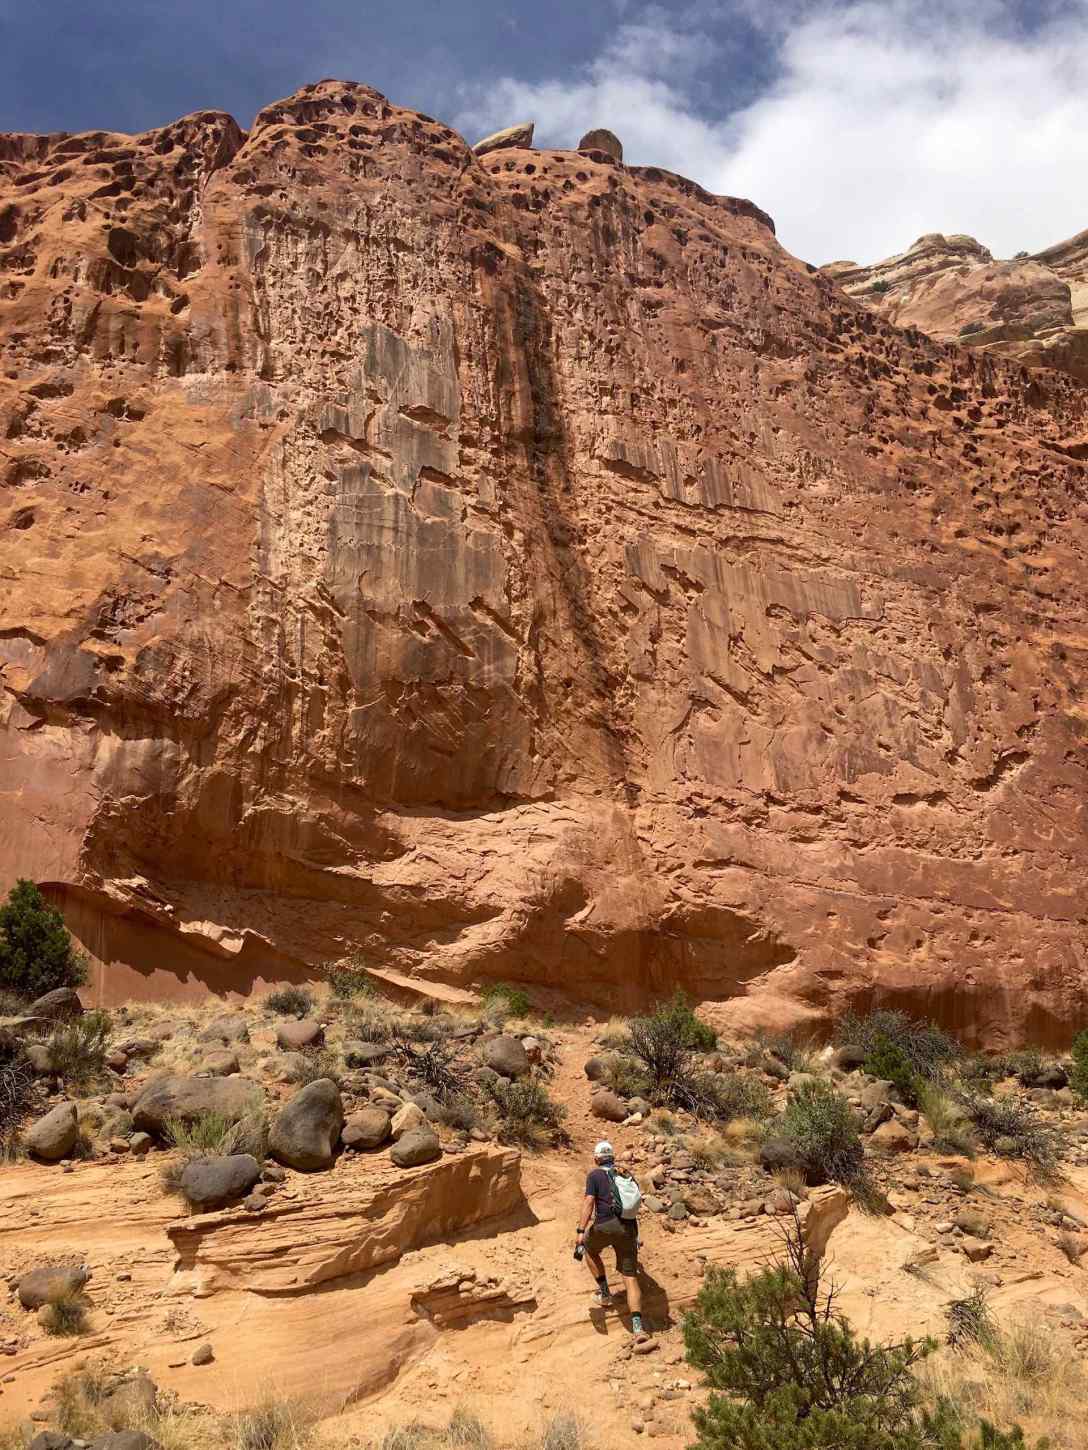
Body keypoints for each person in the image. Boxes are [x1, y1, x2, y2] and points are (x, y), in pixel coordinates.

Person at [575, 1139, 647, 1337]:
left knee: (589, 1248)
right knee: (630, 1277)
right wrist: (636, 1236)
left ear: (596, 1159)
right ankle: (638, 1328)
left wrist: (581, 1231)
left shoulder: (595, 1175)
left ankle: (605, 1294)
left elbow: (589, 1202)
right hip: (628, 1228)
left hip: (606, 1225)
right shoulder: (625, 1174)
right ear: (612, 1157)